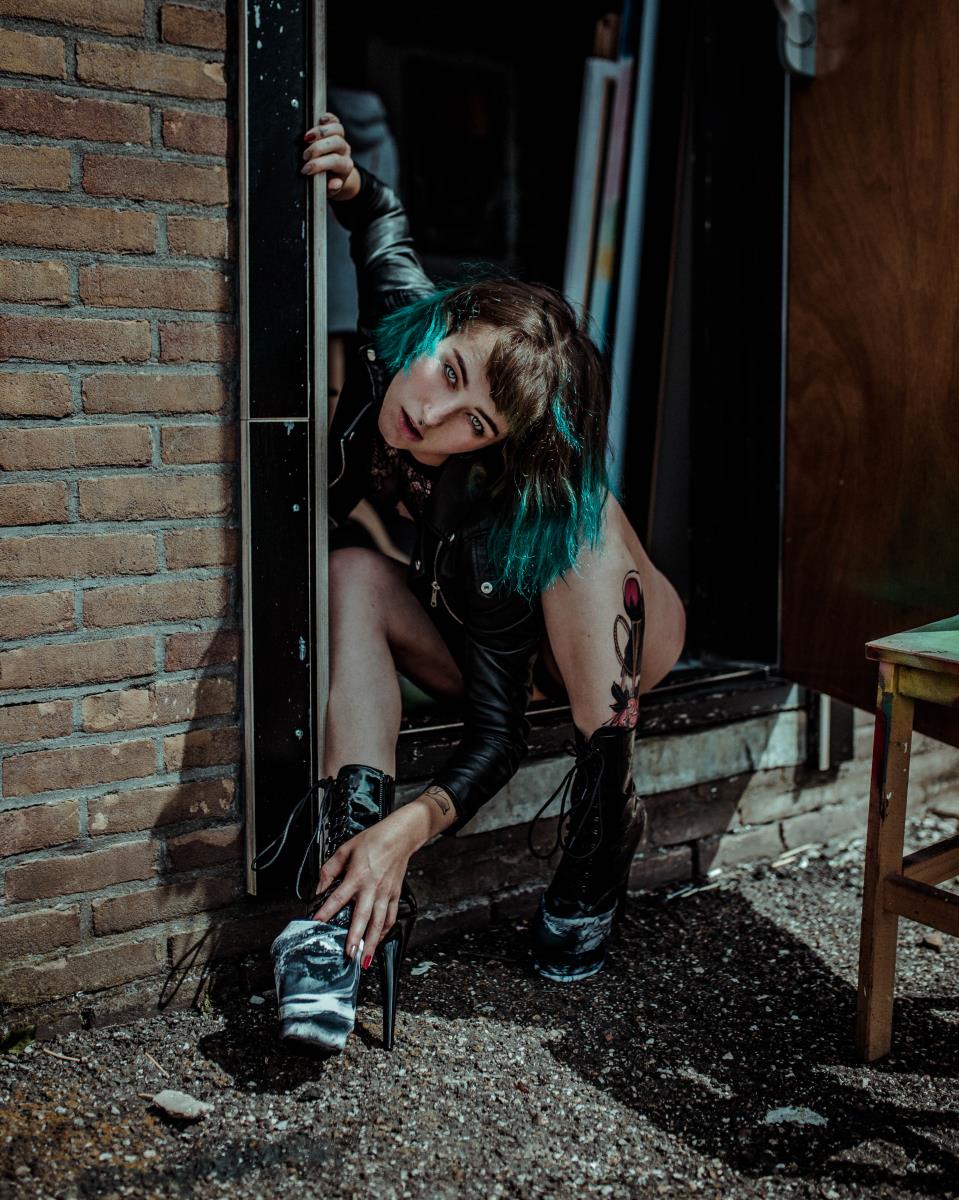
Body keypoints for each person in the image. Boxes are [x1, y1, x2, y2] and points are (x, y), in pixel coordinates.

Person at [261, 113, 687, 1054]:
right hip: (491, 644)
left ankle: (602, 828)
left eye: (476, 424)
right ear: (442, 327)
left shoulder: (503, 515)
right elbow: (383, 227)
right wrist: (351, 184)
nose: (433, 414)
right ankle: (343, 898)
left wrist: (415, 826)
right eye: (447, 373)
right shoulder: (402, 330)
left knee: (577, 520)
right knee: (350, 570)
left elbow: (497, 742)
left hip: (618, 643)